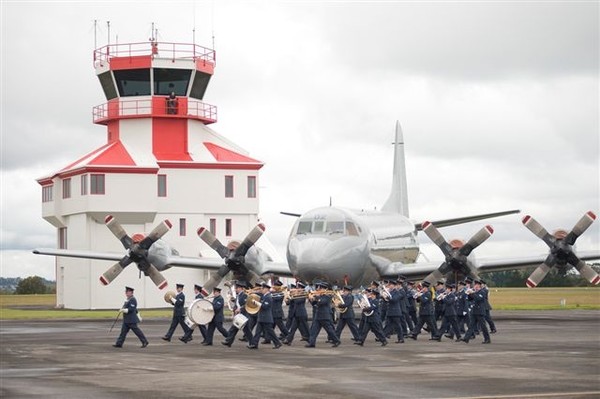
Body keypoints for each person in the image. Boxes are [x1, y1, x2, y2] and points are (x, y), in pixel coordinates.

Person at [305, 282, 341, 348]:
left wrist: (316, 297)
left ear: (324, 289)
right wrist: (310, 299)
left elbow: (321, 302)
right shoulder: (320, 296)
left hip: (324, 316)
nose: (318, 289)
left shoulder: (328, 296)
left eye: (320, 288)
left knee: (329, 330)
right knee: (314, 330)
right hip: (318, 315)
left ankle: (336, 340)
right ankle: (311, 343)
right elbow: (314, 304)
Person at [248, 283, 282, 349]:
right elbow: (258, 296)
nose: (261, 290)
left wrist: (256, 302)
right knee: (257, 332)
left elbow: (265, 306)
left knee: (270, 332)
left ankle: (277, 343)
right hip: (262, 317)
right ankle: (254, 344)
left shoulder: (269, 297)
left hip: (266, 317)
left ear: (266, 289)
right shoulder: (264, 296)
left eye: (262, 289)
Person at [222, 281, 252, 347]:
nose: (236, 289)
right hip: (239, 315)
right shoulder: (238, 295)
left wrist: (240, 309)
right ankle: (229, 341)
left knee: (245, 330)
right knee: (235, 328)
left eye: (237, 288)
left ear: (241, 288)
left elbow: (246, 304)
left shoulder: (244, 295)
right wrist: (234, 309)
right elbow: (237, 304)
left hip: (244, 315)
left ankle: (253, 343)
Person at [462, 280, 491, 344]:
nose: (475, 286)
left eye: (476, 285)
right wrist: (469, 294)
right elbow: (471, 299)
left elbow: (478, 299)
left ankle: (487, 339)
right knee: (471, 325)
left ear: (479, 286)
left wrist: (472, 293)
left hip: (480, 312)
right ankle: (466, 338)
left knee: (483, 327)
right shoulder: (475, 292)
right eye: (475, 285)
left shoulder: (482, 292)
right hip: (474, 311)